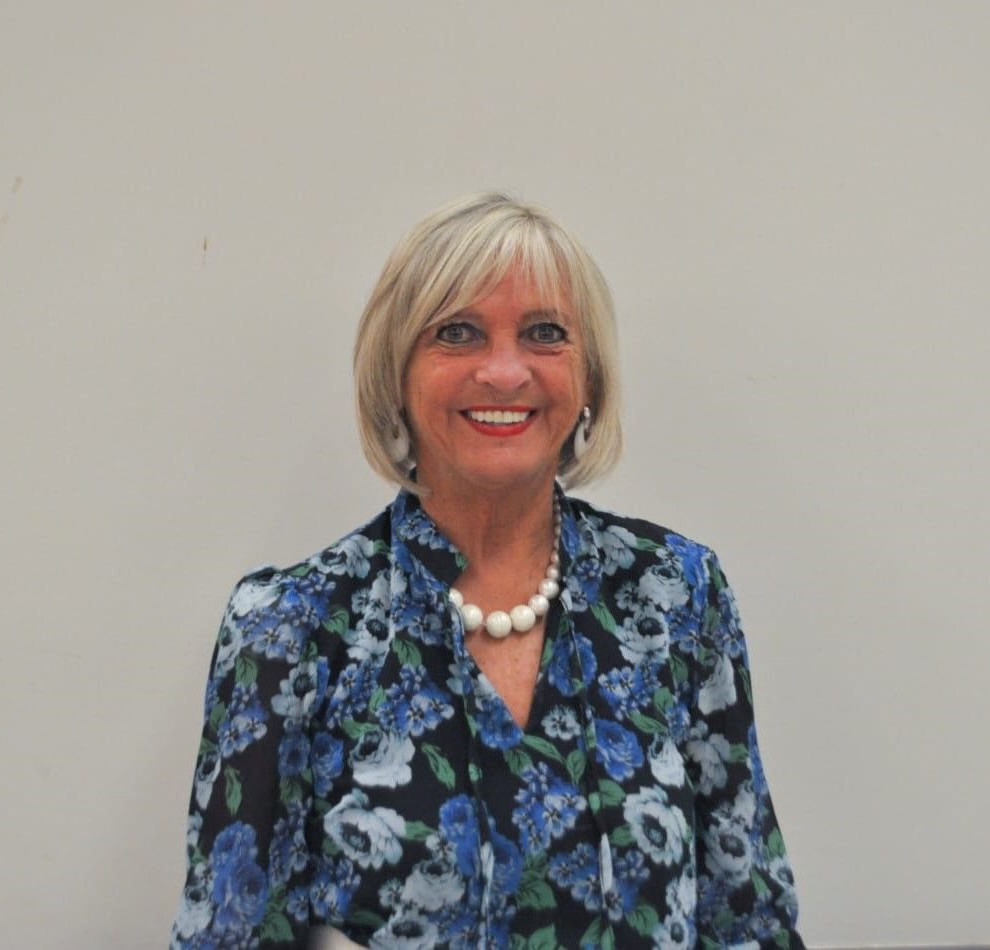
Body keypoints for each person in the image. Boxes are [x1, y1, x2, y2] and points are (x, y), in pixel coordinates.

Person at [171, 193, 804, 949]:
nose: (504, 372)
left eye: (545, 334)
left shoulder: (676, 594)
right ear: (395, 374)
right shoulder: (291, 627)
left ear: (590, 379)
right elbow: (228, 934)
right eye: (457, 333)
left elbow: (749, 919)